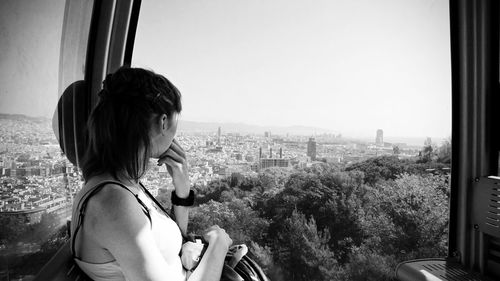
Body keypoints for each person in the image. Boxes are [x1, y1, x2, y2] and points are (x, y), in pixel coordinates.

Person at [70, 66, 233, 281]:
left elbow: (171, 242)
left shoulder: (122, 184)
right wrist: (219, 244)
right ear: (163, 122)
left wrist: (182, 190)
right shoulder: (113, 202)